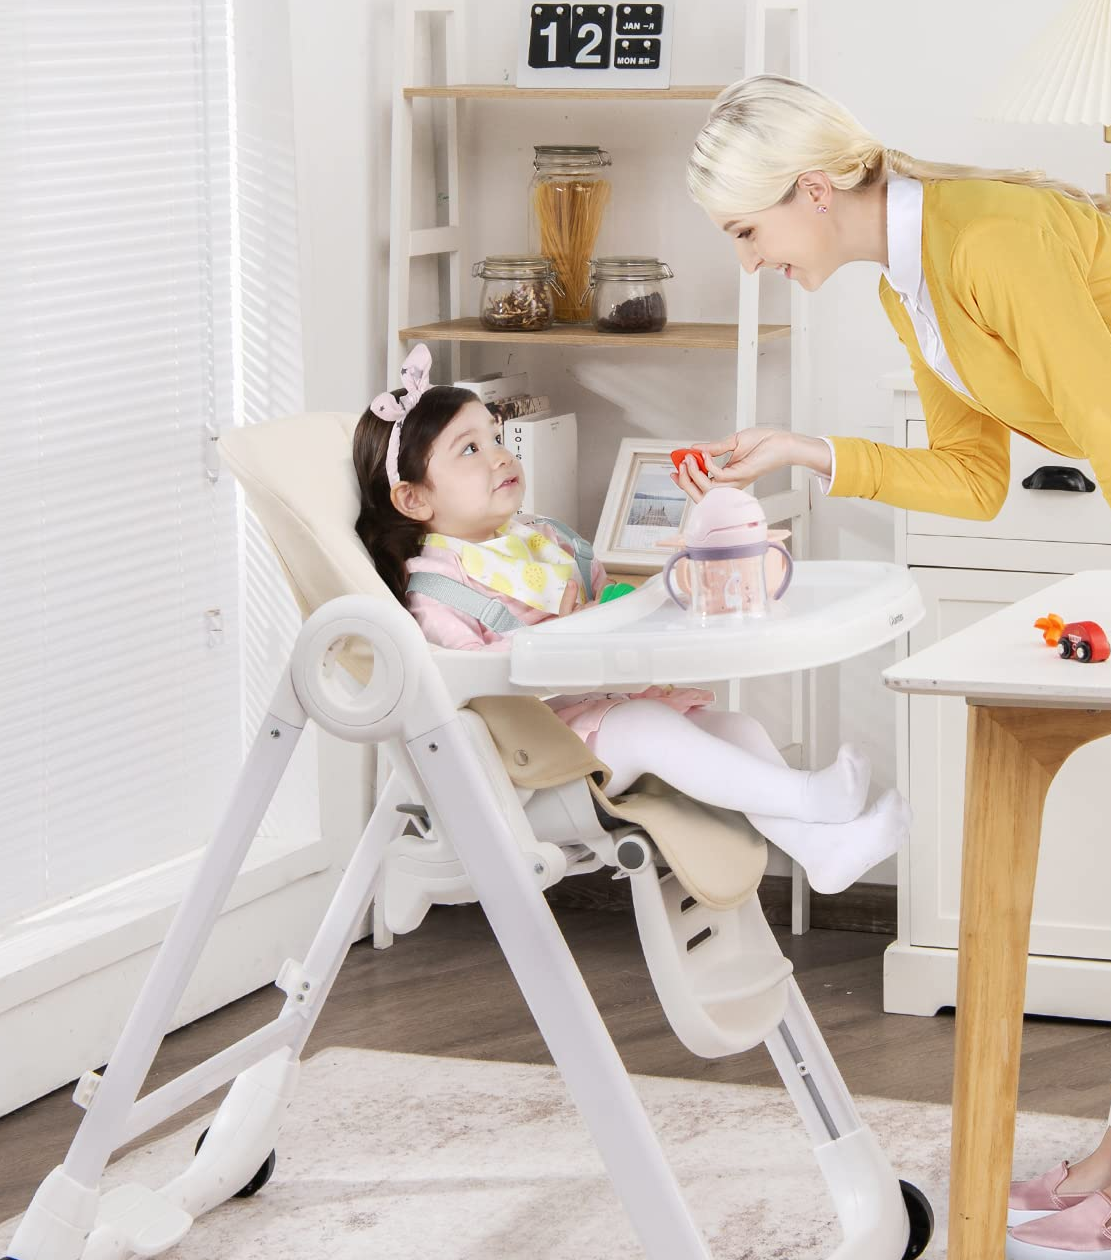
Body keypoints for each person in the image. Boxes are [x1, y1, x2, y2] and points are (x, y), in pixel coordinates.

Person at [678, 74, 1111, 1260]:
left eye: (746, 233)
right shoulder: (915, 278)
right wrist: (807, 451)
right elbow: (971, 478)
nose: (747, 262)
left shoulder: (984, 237)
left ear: (811, 192)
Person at [351, 345, 912, 897]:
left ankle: (823, 851)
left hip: (594, 714)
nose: (499, 455)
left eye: (496, 438)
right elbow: (458, 682)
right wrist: (556, 637)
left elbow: (607, 606)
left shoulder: (542, 539)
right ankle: (813, 799)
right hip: (528, 760)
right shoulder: (437, 586)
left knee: (738, 729)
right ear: (413, 499)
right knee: (647, 727)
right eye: (469, 450)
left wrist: (626, 603)